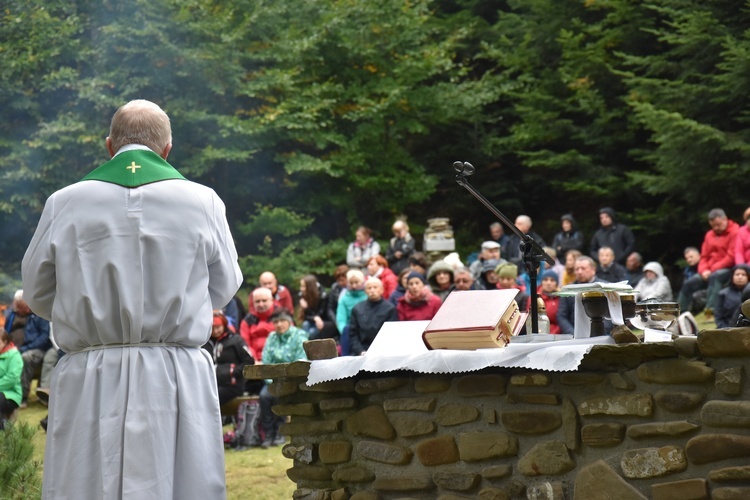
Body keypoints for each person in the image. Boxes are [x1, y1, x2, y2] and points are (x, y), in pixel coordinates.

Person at [21, 99, 242, 498]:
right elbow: (224, 288)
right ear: (167, 149)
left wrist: (89, 313)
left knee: (86, 485)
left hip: (92, 373)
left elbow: (37, 295)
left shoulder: (64, 202)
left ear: (109, 146)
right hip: (173, 372)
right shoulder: (203, 200)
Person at [677, 208, 740, 318]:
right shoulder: (709, 235)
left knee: (715, 278)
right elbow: (704, 256)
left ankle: (709, 314)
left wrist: (711, 270)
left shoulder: (735, 231)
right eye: (713, 225)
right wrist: (703, 270)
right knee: (689, 283)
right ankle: (678, 314)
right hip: (709, 270)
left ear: (725, 219)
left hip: (727, 269)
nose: (716, 228)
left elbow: (731, 256)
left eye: (718, 225)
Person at [259, 309, 308, 448]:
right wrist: (271, 381)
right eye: (276, 322)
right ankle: (268, 434)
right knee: (264, 396)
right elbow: (266, 360)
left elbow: (301, 361)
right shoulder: (271, 337)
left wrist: (286, 380)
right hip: (273, 380)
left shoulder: (300, 336)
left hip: (292, 381)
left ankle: (280, 433)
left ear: (289, 322)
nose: (279, 325)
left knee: (279, 395)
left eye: (282, 321)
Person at [4, 290, 51, 407]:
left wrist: (25, 348)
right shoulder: (12, 315)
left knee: (25, 357)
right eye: (18, 307)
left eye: (23, 307)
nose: (21, 310)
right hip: (13, 349)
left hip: (36, 349)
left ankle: (23, 397)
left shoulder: (39, 313)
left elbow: (45, 336)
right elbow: (5, 334)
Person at [203, 310, 256, 406]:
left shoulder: (236, 340)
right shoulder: (205, 342)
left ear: (224, 325)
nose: (215, 331)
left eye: (218, 327)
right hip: (211, 384)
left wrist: (233, 372)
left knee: (209, 400)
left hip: (232, 385)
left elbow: (249, 361)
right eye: (212, 328)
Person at [558, 256, 609, 336]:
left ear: (593, 270)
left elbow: (611, 313)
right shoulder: (568, 289)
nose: (579, 272)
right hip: (575, 333)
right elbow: (561, 316)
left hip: (602, 332)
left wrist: (601, 331)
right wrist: (573, 333)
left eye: (583, 268)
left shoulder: (606, 287)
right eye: (577, 269)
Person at [348, 278, 399, 356]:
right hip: (362, 350)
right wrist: (360, 351)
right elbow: (353, 333)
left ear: (382, 290)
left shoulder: (390, 309)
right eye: (369, 288)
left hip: (384, 352)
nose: (372, 290)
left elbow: (392, 334)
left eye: (375, 287)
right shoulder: (357, 309)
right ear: (365, 291)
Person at [241, 287, 281, 361]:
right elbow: (245, 343)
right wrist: (254, 359)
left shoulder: (281, 316)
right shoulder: (247, 320)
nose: (261, 304)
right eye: (257, 301)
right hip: (254, 360)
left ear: (272, 300)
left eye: (264, 301)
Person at [336, 269, 367, 355]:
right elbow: (341, 320)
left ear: (362, 282)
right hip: (350, 331)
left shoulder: (368, 297)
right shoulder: (344, 299)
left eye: (356, 282)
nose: (354, 285)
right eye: (351, 283)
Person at [298, 274, 337, 340]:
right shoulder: (303, 295)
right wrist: (307, 310)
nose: (301, 289)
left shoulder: (323, 296)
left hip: (324, 322)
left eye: (303, 286)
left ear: (309, 287)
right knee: (305, 324)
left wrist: (307, 308)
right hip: (312, 321)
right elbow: (306, 317)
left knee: (311, 333)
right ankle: (302, 345)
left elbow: (321, 314)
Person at [0, 330, 22, 430]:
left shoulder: (14, 355)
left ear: (5, 342)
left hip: (11, 394)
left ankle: (3, 427)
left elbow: (11, 379)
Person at [537, 270, 561, 334]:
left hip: (558, 333)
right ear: (542, 282)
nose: (548, 283)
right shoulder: (535, 298)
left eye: (552, 280)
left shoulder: (561, 298)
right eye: (545, 280)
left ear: (556, 283)